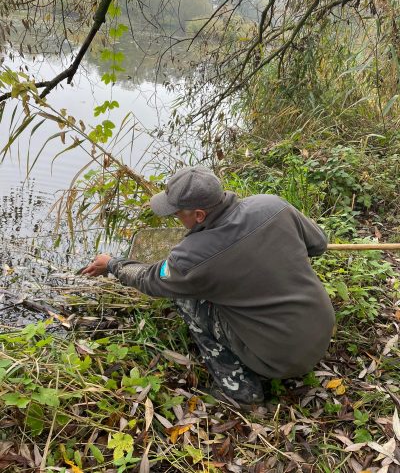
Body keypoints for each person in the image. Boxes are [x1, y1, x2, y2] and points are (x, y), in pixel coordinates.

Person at [82, 165, 335, 408]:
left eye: (177, 213)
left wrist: (112, 264)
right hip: (321, 331)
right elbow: (319, 245)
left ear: (199, 215)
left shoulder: (190, 257)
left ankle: (240, 390)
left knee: (184, 298)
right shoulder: (273, 205)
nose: (176, 217)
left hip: (282, 359)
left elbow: (149, 279)